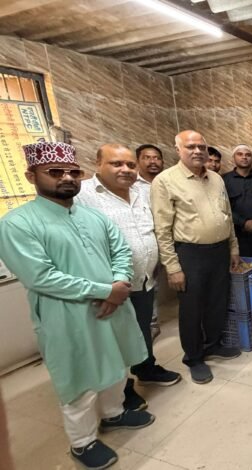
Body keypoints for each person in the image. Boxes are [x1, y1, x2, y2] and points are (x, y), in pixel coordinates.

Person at [0, 142, 154, 470]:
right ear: (31, 176)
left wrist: (120, 282)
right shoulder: (17, 223)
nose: (67, 178)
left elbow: (121, 251)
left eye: (73, 171)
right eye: (55, 172)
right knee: (79, 380)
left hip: (113, 306)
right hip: (67, 315)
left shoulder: (93, 216)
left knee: (116, 365)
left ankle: (113, 414)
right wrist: (106, 291)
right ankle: (82, 443)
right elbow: (40, 277)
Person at [76, 144, 182, 405]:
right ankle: (121, 390)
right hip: (109, 286)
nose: (125, 169)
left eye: (130, 165)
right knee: (113, 339)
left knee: (142, 329)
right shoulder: (82, 196)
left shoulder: (143, 192)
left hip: (144, 279)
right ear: (98, 163)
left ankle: (146, 368)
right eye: (116, 164)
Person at [151, 130, 242, 385]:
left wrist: (233, 248)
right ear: (178, 149)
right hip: (190, 253)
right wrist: (172, 267)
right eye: (190, 146)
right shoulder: (166, 181)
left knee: (217, 302)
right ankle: (193, 357)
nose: (197, 151)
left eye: (201, 146)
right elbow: (162, 229)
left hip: (219, 250)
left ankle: (212, 345)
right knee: (192, 308)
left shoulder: (216, 178)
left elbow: (227, 216)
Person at [135, 143, 164, 340]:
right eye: (147, 157)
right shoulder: (132, 186)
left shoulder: (167, 182)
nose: (153, 161)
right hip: (147, 240)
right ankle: (150, 324)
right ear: (138, 161)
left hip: (169, 239)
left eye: (157, 158)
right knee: (148, 282)